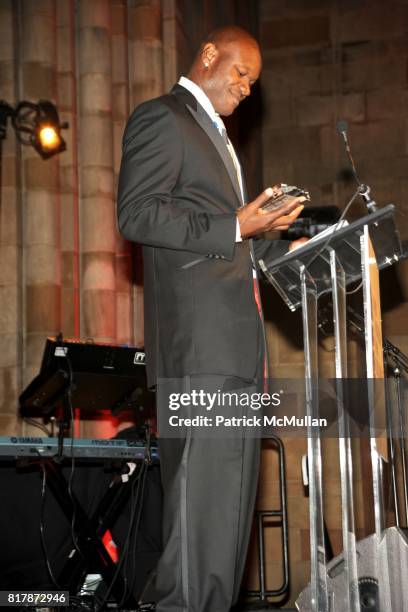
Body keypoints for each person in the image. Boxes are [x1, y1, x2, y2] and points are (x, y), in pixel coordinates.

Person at [117, 25, 305, 612]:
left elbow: (228, 243)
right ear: (207, 56)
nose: (247, 88)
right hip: (201, 355)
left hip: (235, 355)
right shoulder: (163, 118)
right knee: (201, 535)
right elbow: (137, 214)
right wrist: (237, 227)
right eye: (241, 73)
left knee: (224, 528)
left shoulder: (221, 140)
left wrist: (282, 244)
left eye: (253, 82)